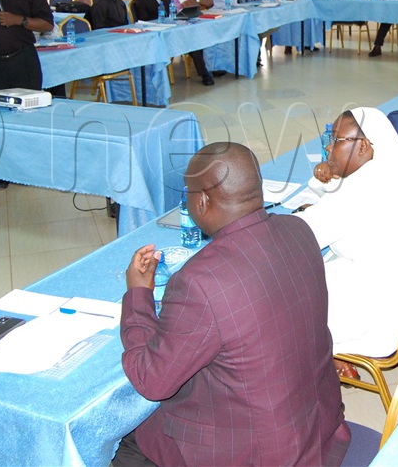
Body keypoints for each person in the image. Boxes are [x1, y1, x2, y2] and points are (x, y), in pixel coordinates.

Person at [117, 142, 350, 467]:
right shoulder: (299, 231)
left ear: (201, 201)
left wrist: (138, 295)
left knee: (125, 441)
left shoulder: (199, 282)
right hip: (318, 432)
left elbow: (151, 381)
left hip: (256, 455)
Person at [295, 108, 398, 369]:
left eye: (336, 140)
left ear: (364, 146)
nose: (328, 148)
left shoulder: (362, 190)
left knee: (280, 305)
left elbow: (302, 236)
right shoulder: (388, 169)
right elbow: (341, 207)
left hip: (376, 312)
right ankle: (332, 355)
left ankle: (326, 356)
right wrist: (330, 177)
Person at [170, 0, 216, 86]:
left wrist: (195, 1)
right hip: (183, 21)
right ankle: (204, 73)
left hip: (199, 19)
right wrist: (201, 2)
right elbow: (187, 5)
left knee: (214, 33)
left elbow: (210, 2)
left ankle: (214, 66)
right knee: (195, 42)